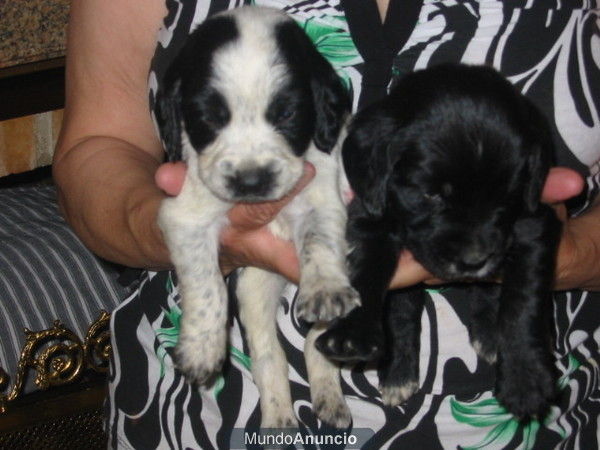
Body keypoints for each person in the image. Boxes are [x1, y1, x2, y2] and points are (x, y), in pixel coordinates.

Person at [53, 0, 600, 448]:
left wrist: (565, 254)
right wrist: (193, 235)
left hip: (529, 421)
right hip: (197, 419)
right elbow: (99, 147)